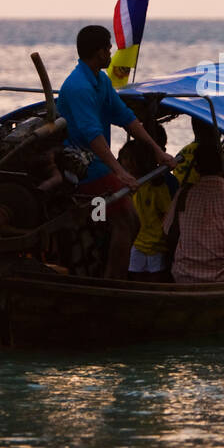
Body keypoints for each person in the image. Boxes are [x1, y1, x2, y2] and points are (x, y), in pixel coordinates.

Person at [59, 25, 176, 278]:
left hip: (99, 166)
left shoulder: (101, 80)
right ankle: (112, 283)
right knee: (128, 219)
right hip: (85, 170)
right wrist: (120, 171)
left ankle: (105, 271)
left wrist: (156, 150)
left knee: (119, 221)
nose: (112, 51)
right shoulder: (79, 86)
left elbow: (125, 117)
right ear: (99, 52)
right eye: (109, 47)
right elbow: (93, 136)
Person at [163, 140, 224, 283]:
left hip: (184, 277)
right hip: (223, 279)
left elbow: (167, 232)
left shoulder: (184, 194)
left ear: (197, 168)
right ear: (223, 166)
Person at [119, 129, 178, 281]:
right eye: (124, 159)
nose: (126, 164)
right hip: (138, 242)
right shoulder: (129, 186)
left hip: (156, 244)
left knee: (155, 277)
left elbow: (167, 215)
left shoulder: (157, 186)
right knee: (134, 275)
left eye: (129, 159)